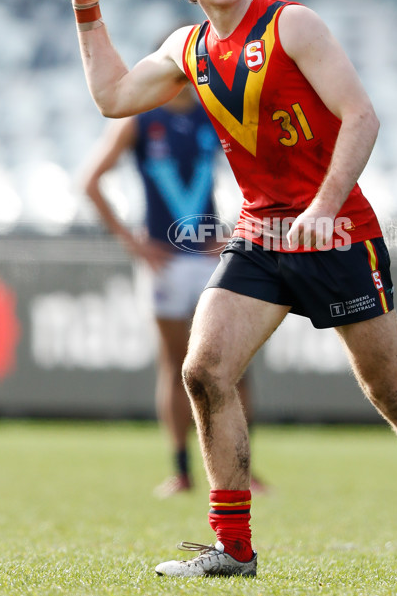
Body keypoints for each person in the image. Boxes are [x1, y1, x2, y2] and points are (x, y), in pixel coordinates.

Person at [67, 0, 397, 581]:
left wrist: (324, 207)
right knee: (203, 369)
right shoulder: (187, 48)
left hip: (338, 234)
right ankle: (234, 549)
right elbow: (114, 97)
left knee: (396, 398)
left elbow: (362, 116)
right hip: (262, 235)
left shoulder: (291, 23)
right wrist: (87, 13)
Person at [80, 82, 266, 498]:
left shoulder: (214, 115)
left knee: (234, 364)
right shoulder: (141, 120)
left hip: (208, 256)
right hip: (165, 261)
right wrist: (134, 243)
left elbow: (258, 173)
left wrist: (238, 231)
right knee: (175, 364)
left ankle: (244, 470)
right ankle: (182, 469)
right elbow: (90, 181)